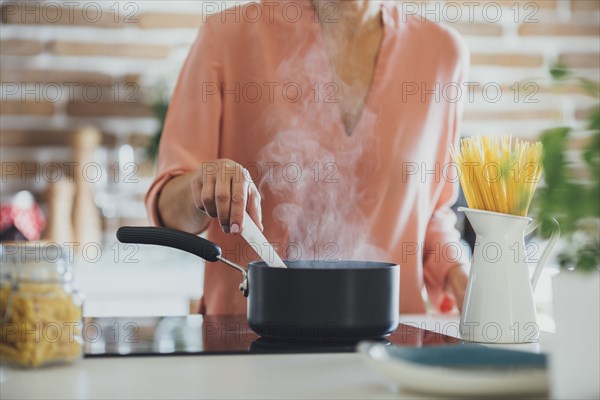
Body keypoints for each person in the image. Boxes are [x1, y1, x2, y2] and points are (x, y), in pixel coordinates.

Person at [146, 0, 469, 316]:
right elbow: (169, 211)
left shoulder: (441, 52)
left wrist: (461, 277)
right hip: (248, 337)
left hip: (390, 339)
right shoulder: (227, 35)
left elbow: (431, 214)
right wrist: (203, 185)